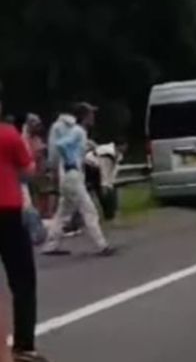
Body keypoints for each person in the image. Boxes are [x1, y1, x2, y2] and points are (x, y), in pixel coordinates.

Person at [0, 101, 49, 362]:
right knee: (22, 281)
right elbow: (28, 171)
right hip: (6, 212)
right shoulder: (8, 134)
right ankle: (23, 345)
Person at [42, 102, 115, 256]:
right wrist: (70, 161)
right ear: (84, 116)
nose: (93, 117)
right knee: (89, 210)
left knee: (63, 212)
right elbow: (61, 145)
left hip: (68, 176)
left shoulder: (77, 131)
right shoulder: (78, 131)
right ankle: (102, 245)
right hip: (72, 175)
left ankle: (51, 245)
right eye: (91, 114)